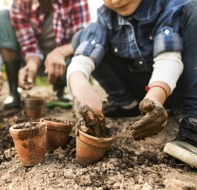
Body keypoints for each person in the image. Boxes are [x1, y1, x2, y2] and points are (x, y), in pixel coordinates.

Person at [68, 0, 197, 167]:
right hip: (142, 93)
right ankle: (126, 104)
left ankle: (193, 120)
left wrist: (155, 97)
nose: (115, 1)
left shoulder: (167, 6)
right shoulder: (105, 17)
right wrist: (80, 86)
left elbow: (168, 59)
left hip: (176, 86)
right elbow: (82, 59)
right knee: (81, 38)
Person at [0, 0, 90, 109]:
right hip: (34, 60)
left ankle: (59, 90)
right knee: (3, 15)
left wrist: (59, 53)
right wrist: (32, 64)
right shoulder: (20, 2)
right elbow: (29, 45)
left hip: (64, 60)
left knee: (80, 54)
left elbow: (83, 39)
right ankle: (13, 91)